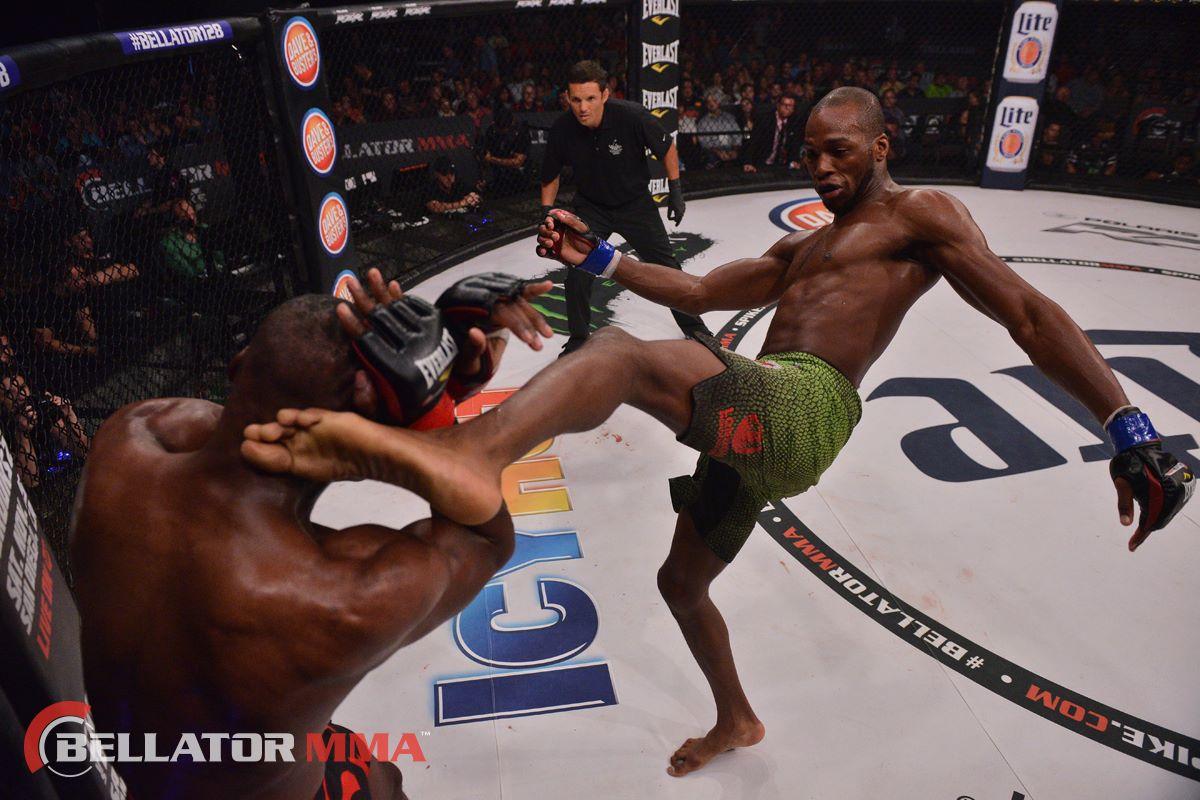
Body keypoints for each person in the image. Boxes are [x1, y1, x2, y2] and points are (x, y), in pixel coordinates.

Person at [241, 87, 1194, 779]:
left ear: (881, 143)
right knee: (680, 580)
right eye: (813, 154)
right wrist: (600, 255)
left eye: (839, 152)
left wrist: (1125, 419)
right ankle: (736, 718)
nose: (821, 168)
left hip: (807, 405)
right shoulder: (804, 245)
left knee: (615, 358)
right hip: (762, 423)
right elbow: (698, 290)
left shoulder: (921, 215)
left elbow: (1026, 311)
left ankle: (463, 454)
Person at [70, 268, 555, 800]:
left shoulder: (135, 435)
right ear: (357, 442)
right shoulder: (336, 599)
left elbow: (247, 426)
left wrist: (402, 399)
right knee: (385, 782)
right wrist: (431, 414)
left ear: (236, 368)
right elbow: (487, 538)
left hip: (141, 771)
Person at [540, 60, 707, 355]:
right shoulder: (563, 128)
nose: (582, 107)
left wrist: (676, 190)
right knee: (577, 270)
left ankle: (694, 328)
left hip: (635, 204)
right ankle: (579, 337)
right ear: (567, 97)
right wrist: (546, 212)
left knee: (665, 267)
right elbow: (550, 174)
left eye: (590, 98)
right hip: (592, 206)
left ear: (605, 95)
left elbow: (666, 147)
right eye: (576, 99)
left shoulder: (631, 116)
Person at [742, 94, 803, 172]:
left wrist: (794, 160)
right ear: (778, 105)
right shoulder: (765, 120)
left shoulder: (794, 122)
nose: (787, 108)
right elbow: (753, 142)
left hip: (784, 165)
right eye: (784, 105)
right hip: (762, 162)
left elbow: (795, 144)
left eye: (790, 106)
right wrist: (748, 162)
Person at [479, 105, 531, 196]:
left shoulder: (521, 132)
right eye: (499, 129)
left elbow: (518, 162)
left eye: (504, 129)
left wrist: (492, 159)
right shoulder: (492, 131)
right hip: (497, 174)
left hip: (518, 175)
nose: (502, 131)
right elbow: (485, 154)